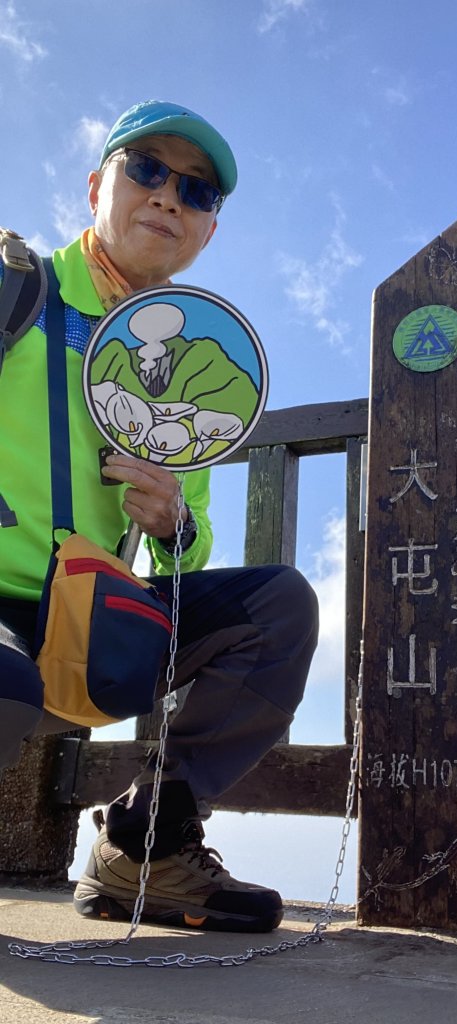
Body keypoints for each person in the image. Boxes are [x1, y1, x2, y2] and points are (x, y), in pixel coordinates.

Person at [0, 100, 319, 934]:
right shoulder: (13, 285)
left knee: (278, 607)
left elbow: (190, 546)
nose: (169, 196)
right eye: (146, 169)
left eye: (197, 191)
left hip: (86, 620)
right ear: (96, 185)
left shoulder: (195, 371)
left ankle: (146, 843)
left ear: (208, 231)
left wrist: (174, 523)